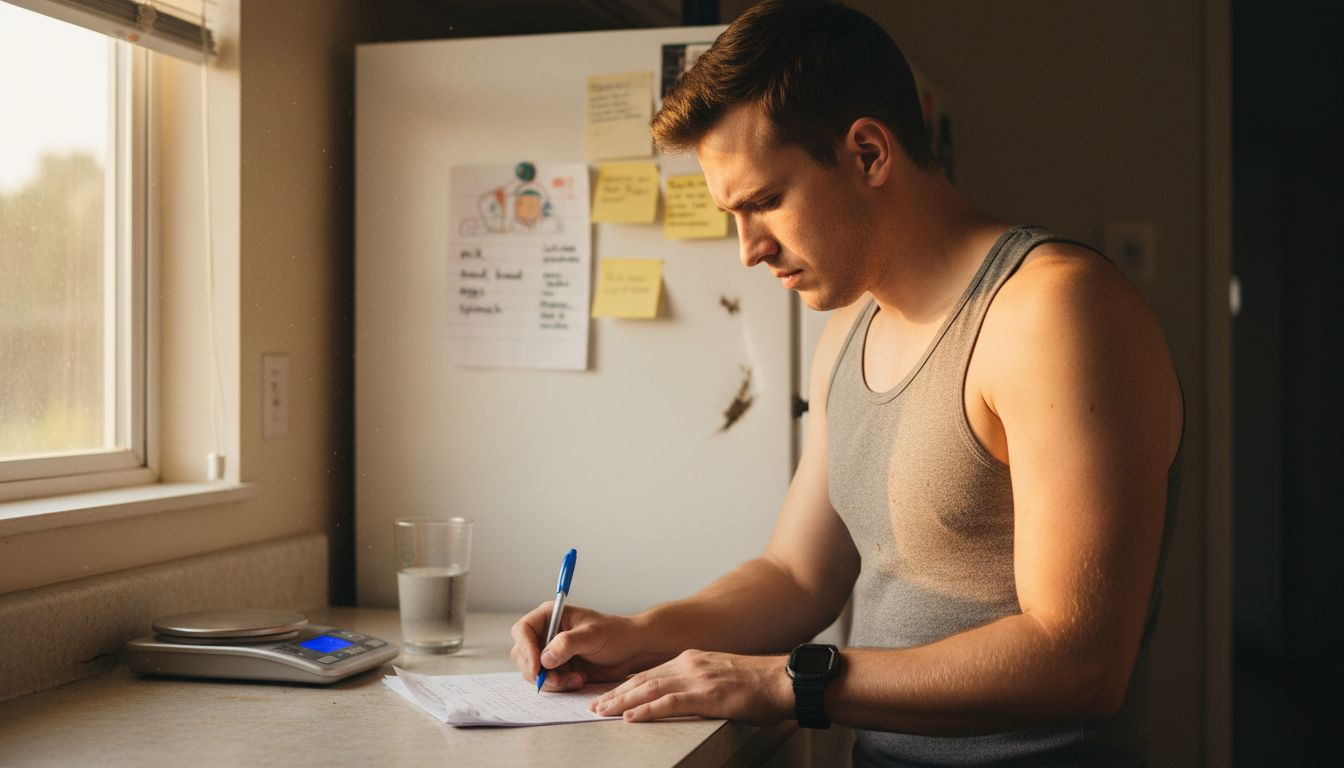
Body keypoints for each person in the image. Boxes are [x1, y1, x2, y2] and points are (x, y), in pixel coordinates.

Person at [511, 1, 1183, 764]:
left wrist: (784, 683)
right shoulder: (849, 328)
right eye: (734, 213)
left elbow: (1080, 663)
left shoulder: (1054, 313)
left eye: (766, 202)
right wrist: (637, 634)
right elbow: (797, 576)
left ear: (867, 153)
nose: (749, 250)